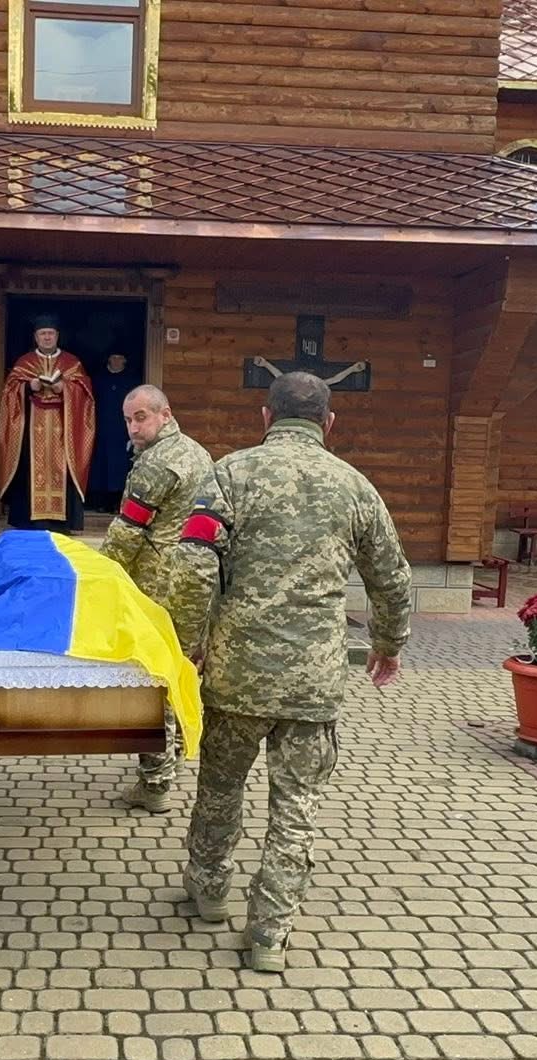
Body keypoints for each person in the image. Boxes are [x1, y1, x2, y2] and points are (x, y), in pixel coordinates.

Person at [167, 372, 412, 973]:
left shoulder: (228, 475)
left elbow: (193, 564)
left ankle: (208, 889)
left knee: (220, 786)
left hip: (236, 674)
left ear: (265, 416)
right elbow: (392, 578)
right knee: (296, 805)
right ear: (329, 423)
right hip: (312, 683)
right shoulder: (356, 487)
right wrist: (388, 645)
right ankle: (270, 933)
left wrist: (187, 644)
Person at [99, 383, 212, 815]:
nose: (133, 427)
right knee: (181, 669)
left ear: (165, 414)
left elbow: (128, 531)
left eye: (141, 417)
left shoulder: (156, 464)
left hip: (158, 586)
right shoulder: (198, 454)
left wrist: (101, 577)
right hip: (195, 583)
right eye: (128, 420)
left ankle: (155, 781)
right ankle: (178, 752)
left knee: (151, 681)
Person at [0, 317, 94, 533]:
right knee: (28, 469)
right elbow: (9, 392)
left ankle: (62, 523)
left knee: (64, 468)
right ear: (36, 337)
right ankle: (28, 522)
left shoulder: (72, 363)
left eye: (51, 333)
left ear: (57, 336)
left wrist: (65, 389)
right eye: (43, 334)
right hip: (31, 427)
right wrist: (28, 386)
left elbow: (85, 393)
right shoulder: (24, 362)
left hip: (63, 428)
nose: (47, 337)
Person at [87, 352, 139, 513]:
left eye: (120, 358)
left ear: (125, 360)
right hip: (100, 430)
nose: (117, 361)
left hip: (122, 432)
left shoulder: (132, 381)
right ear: (109, 359)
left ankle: (118, 504)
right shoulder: (98, 380)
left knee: (120, 469)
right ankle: (101, 503)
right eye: (114, 357)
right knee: (100, 468)